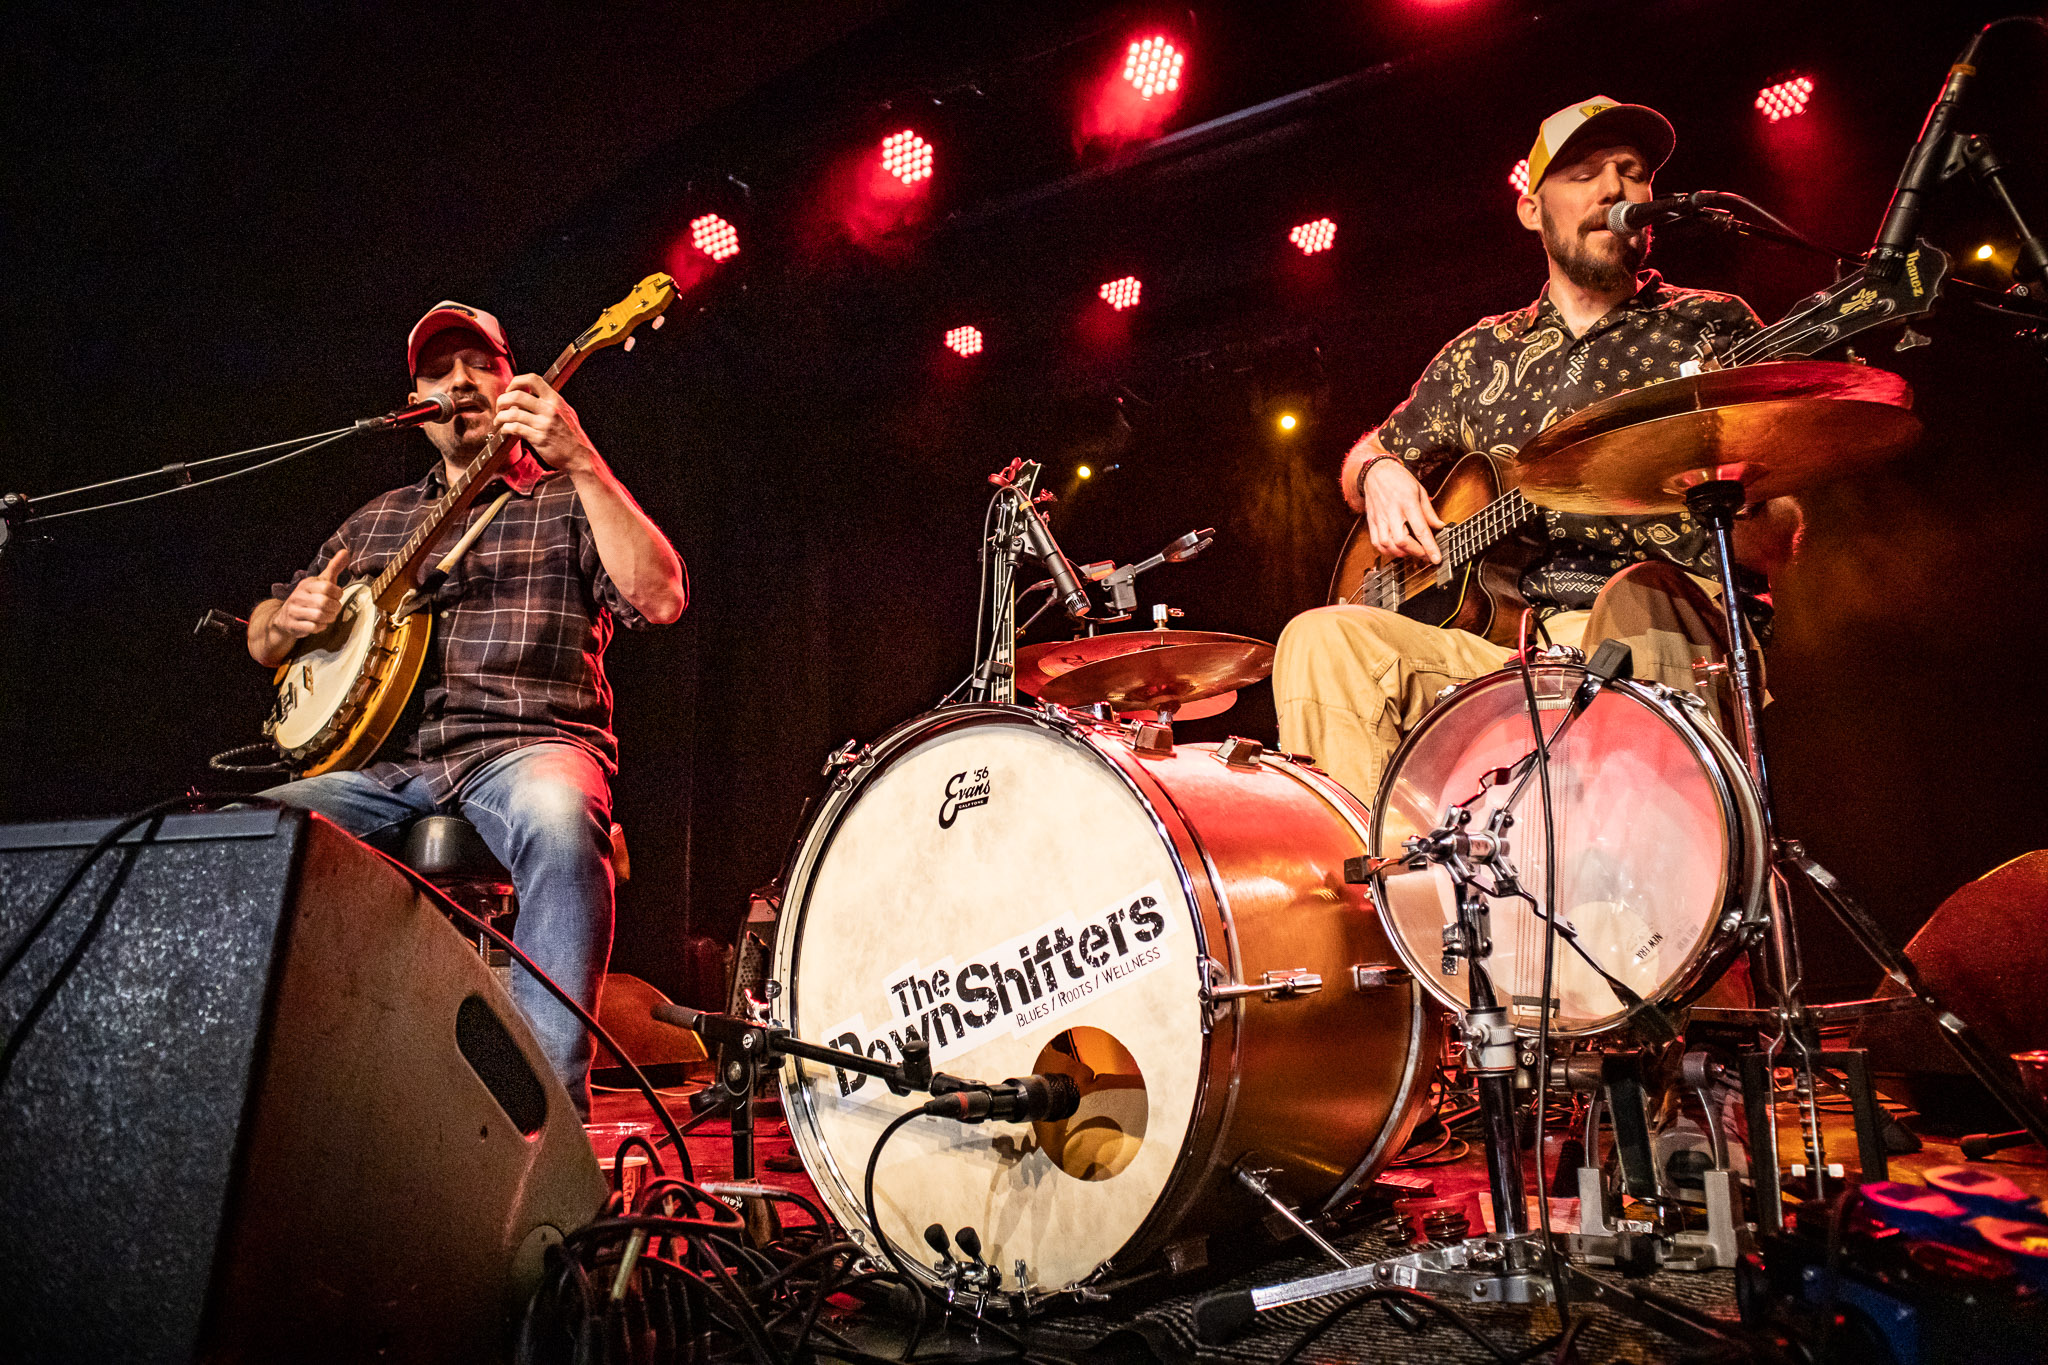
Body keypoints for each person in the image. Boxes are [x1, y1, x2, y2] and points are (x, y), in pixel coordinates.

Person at [1274, 97, 1800, 805]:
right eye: (1586, 173)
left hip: (1663, 630)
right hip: (1508, 645)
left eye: (1633, 172)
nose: (1616, 189)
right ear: (1532, 210)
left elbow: (1781, 523)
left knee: (1638, 605)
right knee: (1318, 640)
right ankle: (1374, 898)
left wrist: (1734, 507)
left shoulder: (1710, 326)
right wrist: (1379, 473)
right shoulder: (1480, 354)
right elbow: (1370, 450)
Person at [248, 301, 687, 1116]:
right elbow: (265, 641)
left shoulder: (563, 495)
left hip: (527, 745)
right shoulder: (375, 519)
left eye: (477, 363)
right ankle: (282, 1102)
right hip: (385, 767)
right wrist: (287, 621)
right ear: (417, 400)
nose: (458, 380)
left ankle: (541, 1118)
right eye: (437, 369)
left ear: (508, 375)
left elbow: (661, 597)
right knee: (249, 833)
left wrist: (585, 460)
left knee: (559, 812)